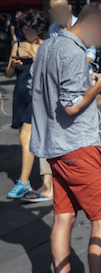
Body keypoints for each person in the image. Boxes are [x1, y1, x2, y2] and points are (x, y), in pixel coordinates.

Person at [30, 2, 101, 273]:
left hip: (54, 147)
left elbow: (42, 85)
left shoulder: (47, 46)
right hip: (79, 146)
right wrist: (99, 86)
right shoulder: (74, 52)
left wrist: (88, 81)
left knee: (63, 218)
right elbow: (71, 106)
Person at [6, 10, 54, 202]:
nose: (28, 34)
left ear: (39, 30)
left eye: (31, 30)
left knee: (26, 138)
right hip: (20, 97)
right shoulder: (17, 45)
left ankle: (24, 181)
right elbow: (10, 73)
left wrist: (33, 55)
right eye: (25, 30)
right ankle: (29, 181)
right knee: (23, 138)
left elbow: (47, 72)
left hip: (37, 98)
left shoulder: (45, 46)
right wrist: (13, 63)